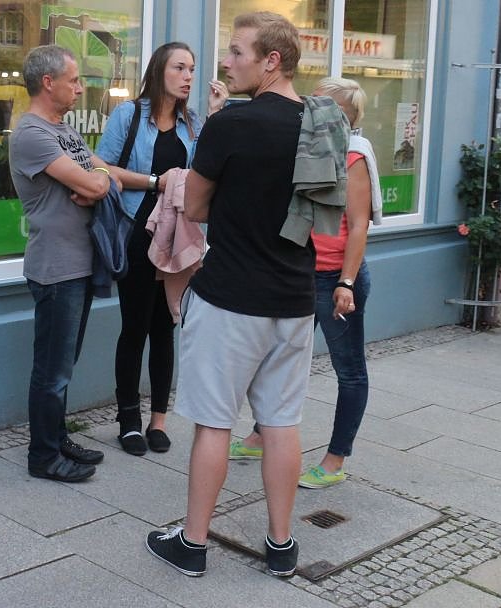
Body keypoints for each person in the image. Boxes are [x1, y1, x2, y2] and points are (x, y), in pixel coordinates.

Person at [144, 12, 347, 579]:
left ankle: (192, 545)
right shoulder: (320, 121)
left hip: (230, 297)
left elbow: (195, 206)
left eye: (237, 52)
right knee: (280, 424)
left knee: (214, 423)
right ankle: (282, 547)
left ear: (271, 60)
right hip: (294, 298)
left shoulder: (232, 123)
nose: (226, 62)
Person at [230, 77, 375, 488]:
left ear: (341, 116)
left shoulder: (352, 156)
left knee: (349, 371)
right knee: (278, 359)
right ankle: (262, 434)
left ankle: (335, 460)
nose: (307, 111)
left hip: (335, 280)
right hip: (299, 271)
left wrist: (347, 283)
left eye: (317, 105)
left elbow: (359, 226)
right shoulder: (307, 150)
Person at [94, 42, 226, 456]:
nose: (188, 76)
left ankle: (158, 421)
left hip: (178, 235)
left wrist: (216, 116)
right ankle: (129, 421)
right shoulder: (129, 115)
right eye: (179, 68)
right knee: (134, 327)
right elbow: (100, 166)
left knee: (165, 327)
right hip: (137, 230)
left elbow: (206, 169)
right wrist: (155, 181)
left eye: (192, 69)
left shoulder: (192, 123)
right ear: (159, 71)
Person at [9, 44, 114, 483]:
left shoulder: (64, 130)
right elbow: (95, 182)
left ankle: (58, 438)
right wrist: (97, 182)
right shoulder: (31, 134)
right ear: (48, 82)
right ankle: (44, 456)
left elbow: (101, 174)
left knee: (64, 365)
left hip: (79, 264)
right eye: (73, 80)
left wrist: (103, 181)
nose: (80, 88)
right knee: (51, 370)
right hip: (56, 268)